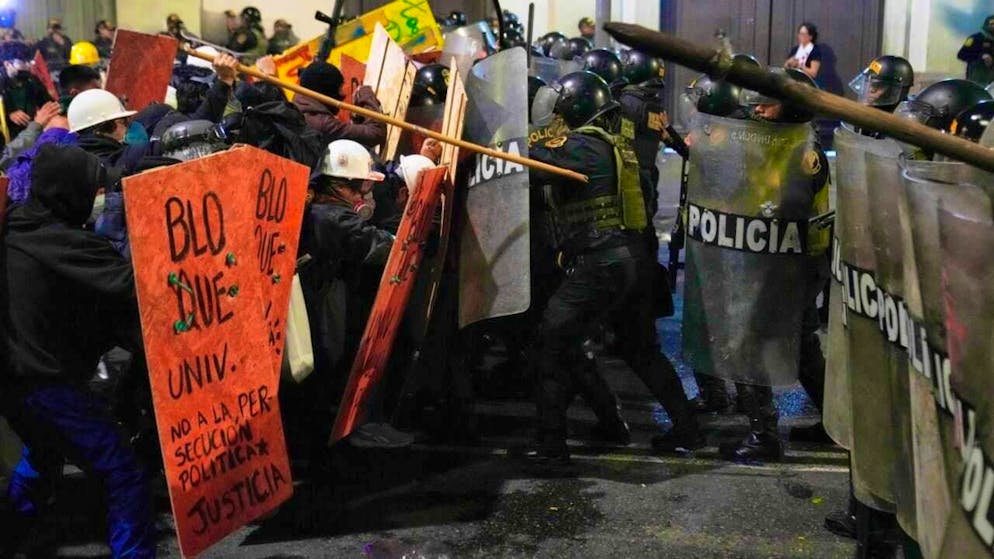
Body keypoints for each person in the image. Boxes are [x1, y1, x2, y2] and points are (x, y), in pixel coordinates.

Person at [523, 71, 702, 466]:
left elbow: (528, 163)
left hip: (601, 262)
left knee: (550, 342)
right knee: (640, 349)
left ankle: (551, 448)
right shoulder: (613, 143)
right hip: (631, 259)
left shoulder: (582, 146)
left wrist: (495, 145)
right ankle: (684, 427)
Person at [1, 143, 155, 559]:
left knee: (45, 449)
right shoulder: (65, 243)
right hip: (47, 381)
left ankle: (14, 530)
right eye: (94, 189)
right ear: (72, 191)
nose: (99, 198)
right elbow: (137, 283)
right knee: (123, 473)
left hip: (14, 380)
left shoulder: (16, 223)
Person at [716, 68, 830, 463]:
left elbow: (778, 215)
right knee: (804, 350)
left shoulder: (801, 156)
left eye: (768, 103)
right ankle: (837, 424)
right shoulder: (789, 142)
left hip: (784, 266)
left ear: (792, 109)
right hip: (799, 266)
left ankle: (763, 435)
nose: (759, 109)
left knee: (745, 344)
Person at [293, 60, 387, 148]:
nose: (343, 94)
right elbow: (376, 133)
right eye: (339, 89)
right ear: (326, 92)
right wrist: (365, 94)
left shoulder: (300, 99)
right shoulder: (322, 123)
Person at [1, 42, 53, 139]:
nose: (28, 66)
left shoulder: (32, 81)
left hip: (29, 134)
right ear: (7, 64)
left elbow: (47, 103)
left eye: (29, 61)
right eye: (23, 62)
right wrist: (8, 113)